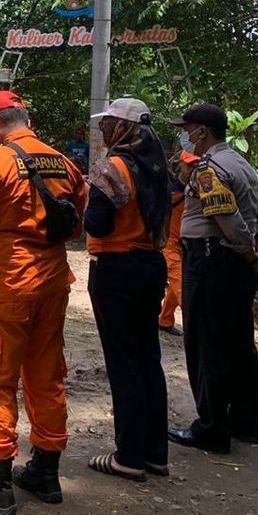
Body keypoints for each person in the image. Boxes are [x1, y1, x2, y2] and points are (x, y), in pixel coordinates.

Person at [0, 90, 86, 515]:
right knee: (46, 373)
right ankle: (46, 471)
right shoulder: (62, 161)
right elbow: (77, 217)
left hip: (7, 285)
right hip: (52, 283)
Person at [168, 104, 258, 455]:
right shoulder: (242, 164)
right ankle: (246, 422)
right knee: (238, 342)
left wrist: (250, 254)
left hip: (211, 261)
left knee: (207, 344)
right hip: (235, 265)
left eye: (186, 128)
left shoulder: (208, 169)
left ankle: (212, 428)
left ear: (202, 131)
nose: (184, 135)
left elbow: (227, 219)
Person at [82, 98, 173, 482]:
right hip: (151, 267)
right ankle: (155, 454)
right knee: (148, 359)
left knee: (124, 365)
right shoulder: (159, 168)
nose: (102, 131)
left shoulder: (114, 168)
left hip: (117, 269)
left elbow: (97, 225)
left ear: (123, 128)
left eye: (108, 125)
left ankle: (128, 456)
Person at [159, 150, 199, 335]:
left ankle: (165, 320)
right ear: (181, 164)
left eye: (196, 164)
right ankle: (198, 327)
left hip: (186, 244)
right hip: (169, 244)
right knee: (181, 285)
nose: (193, 168)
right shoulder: (168, 188)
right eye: (190, 164)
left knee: (178, 283)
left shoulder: (201, 188)